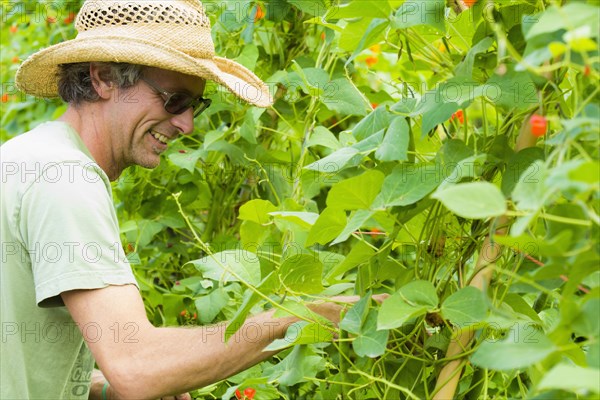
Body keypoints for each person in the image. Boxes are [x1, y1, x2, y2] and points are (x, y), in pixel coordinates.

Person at [1, 1, 385, 399]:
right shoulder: (67, 179)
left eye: (194, 105)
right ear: (103, 78)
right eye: (174, 101)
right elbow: (136, 364)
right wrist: (304, 317)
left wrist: (100, 388)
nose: (188, 124)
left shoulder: (26, 159)